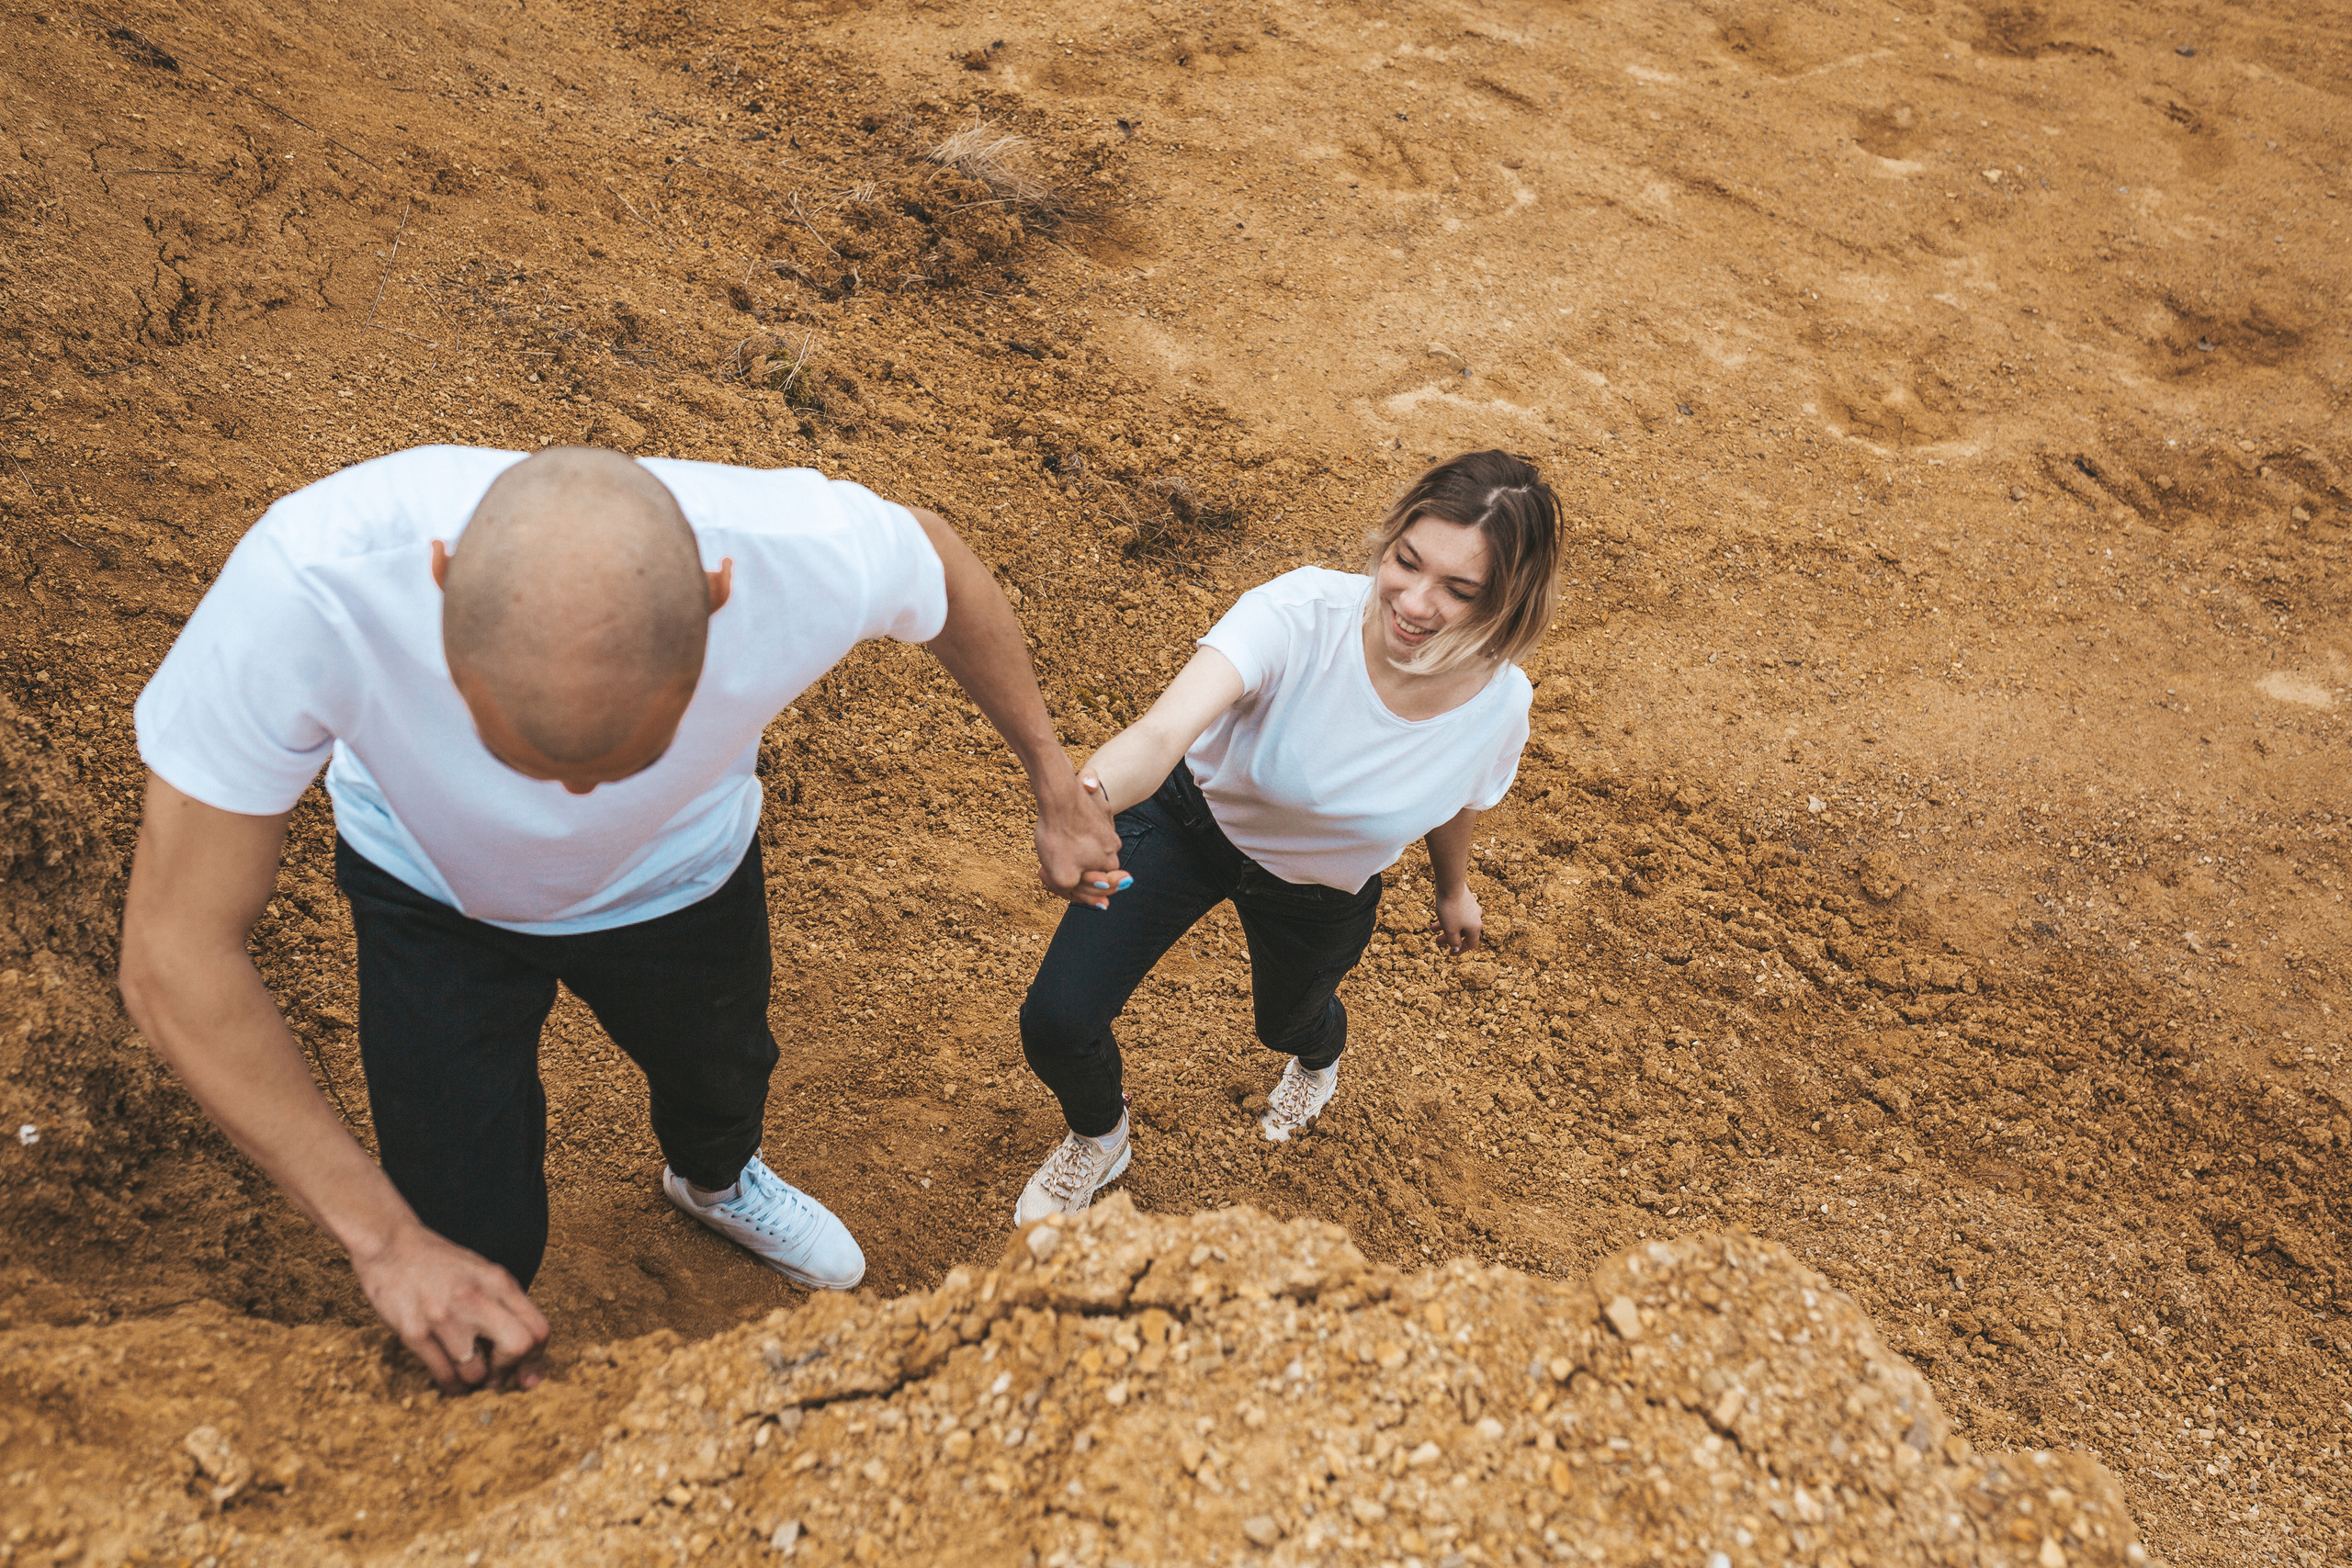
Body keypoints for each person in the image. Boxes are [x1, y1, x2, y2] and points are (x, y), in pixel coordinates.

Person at [117, 445, 1123, 1394]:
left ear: (718, 598)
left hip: (682, 884)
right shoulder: (309, 587)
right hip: (428, 896)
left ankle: (717, 1183)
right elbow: (173, 950)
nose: (571, 803)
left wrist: (1050, 776)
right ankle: (477, 1307)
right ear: (437, 583)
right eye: (527, 756)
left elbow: (940, 566)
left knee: (722, 1074)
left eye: (620, 759)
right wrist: (387, 1244)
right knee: (462, 1218)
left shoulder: (797, 557)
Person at [1012, 449, 1560, 1224]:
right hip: (1188, 821)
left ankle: (1318, 1058)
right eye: (1406, 560)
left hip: (1319, 888)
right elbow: (1165, 730)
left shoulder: (1499, 704)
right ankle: (1100, 1134)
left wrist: (1452, 887)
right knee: (1057, 1019)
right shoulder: (1300, 612)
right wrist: (1086, 800)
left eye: (1459, 590)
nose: (1414, 600)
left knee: (1289, 1020)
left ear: (1508, 602)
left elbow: (1456, 795)